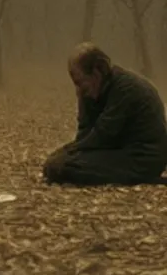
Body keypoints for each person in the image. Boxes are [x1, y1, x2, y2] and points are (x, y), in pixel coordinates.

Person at [43, 42, 167, 186]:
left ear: (96, 74)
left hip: (142, 157)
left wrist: (69, 153)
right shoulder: (93, 91)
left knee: (65, 166)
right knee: (56, 164)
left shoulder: (125, 88)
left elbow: (103, 135)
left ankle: (140, 177)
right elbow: (85, 132)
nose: (78, 90)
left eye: (79, 82)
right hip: (116, 151)